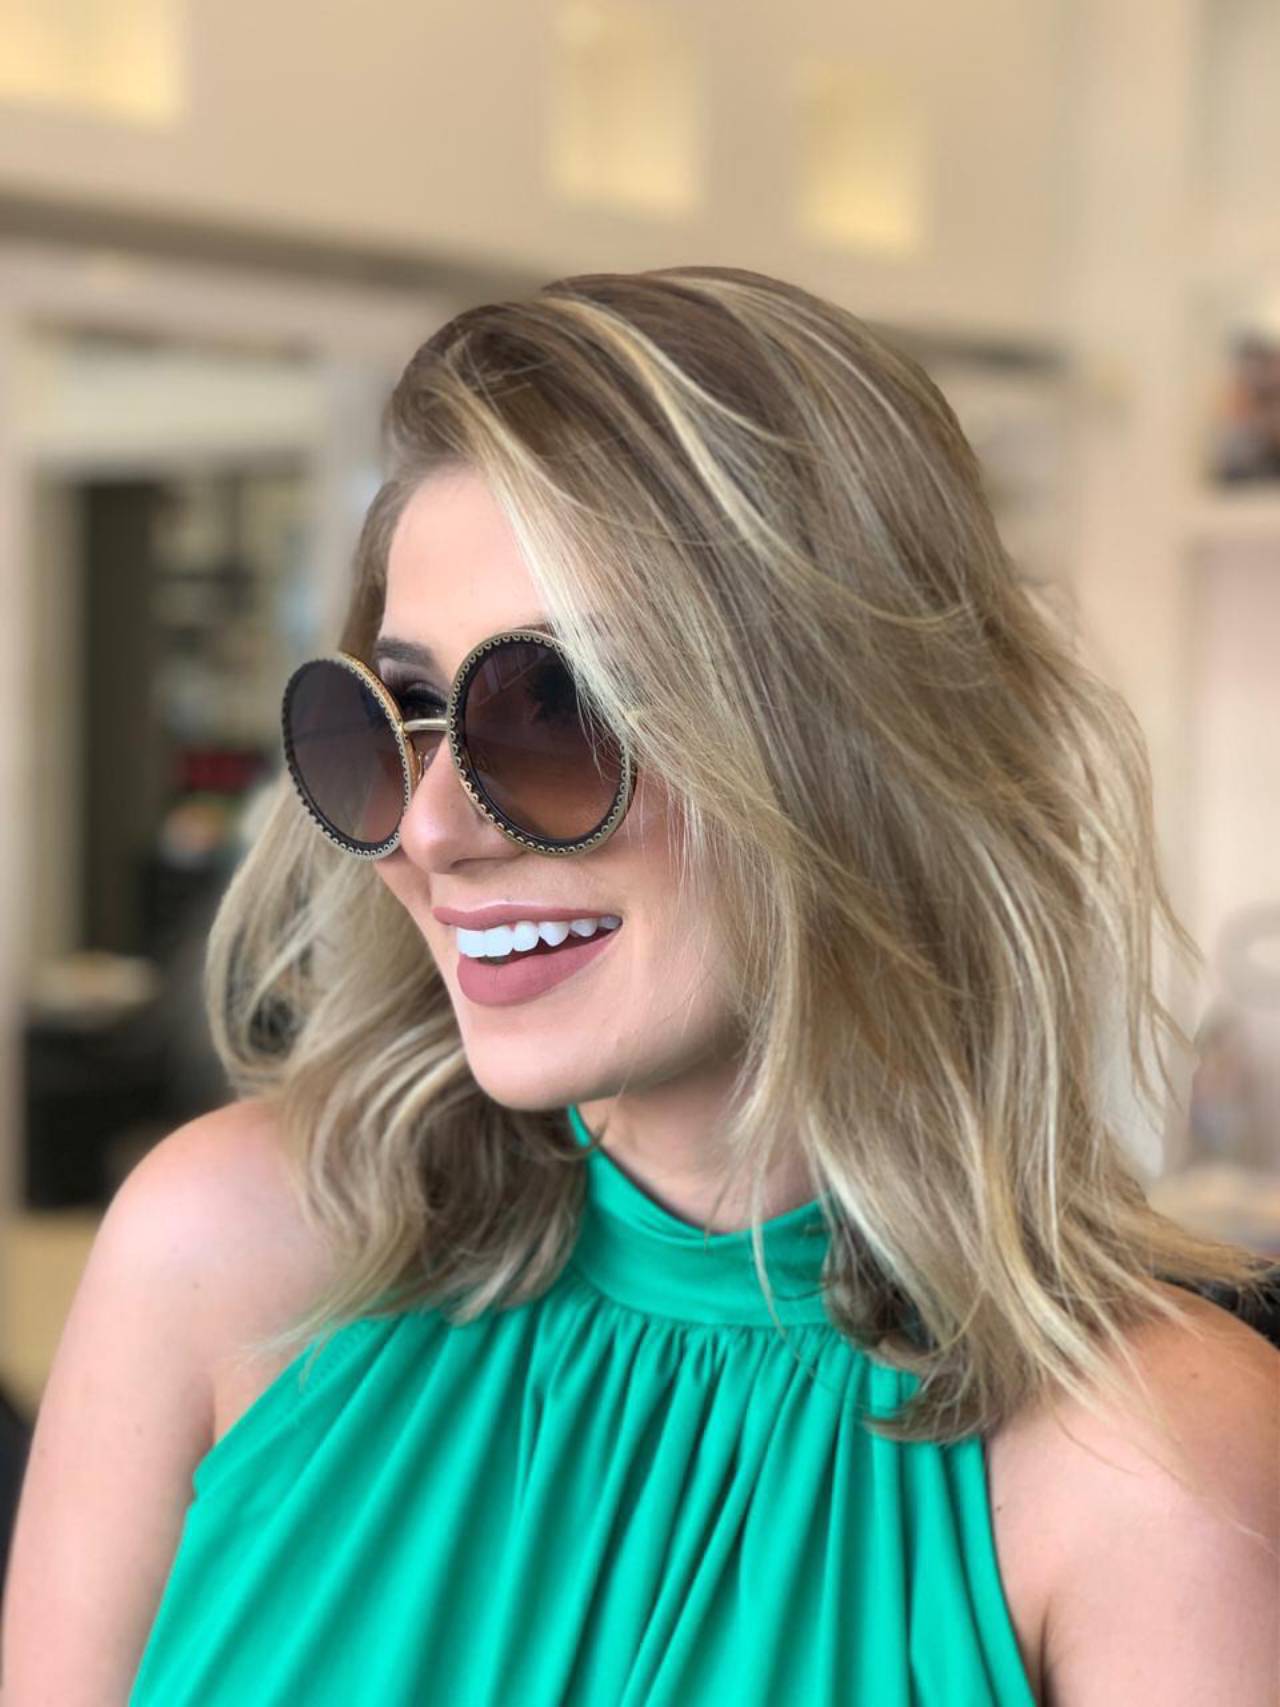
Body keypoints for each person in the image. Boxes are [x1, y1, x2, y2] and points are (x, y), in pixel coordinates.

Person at [5, 266, 1277, 1705]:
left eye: (554, 709)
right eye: (406, 711)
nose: (432, 828)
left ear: (856, 748)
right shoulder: (222, 1256)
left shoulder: (1156, 1474)